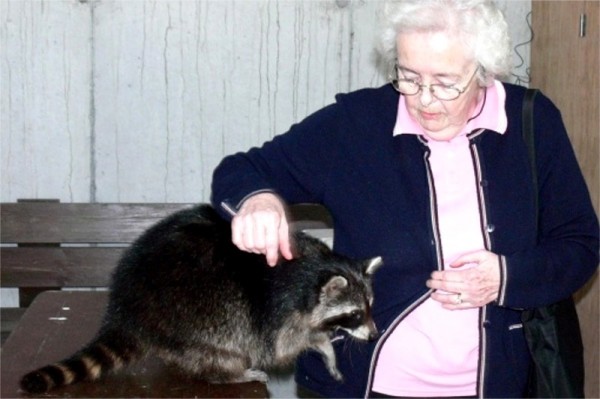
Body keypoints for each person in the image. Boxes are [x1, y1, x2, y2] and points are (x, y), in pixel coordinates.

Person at [210, 0, 599, 397]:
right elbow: (242, 170)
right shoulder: (357, 124)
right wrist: (258, 200)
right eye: (408, 76)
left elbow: (580, 245)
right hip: (360, 387)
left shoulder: (530, 123)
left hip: (496, 387)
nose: (425, 99)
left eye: (446, 83)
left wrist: (506, 278)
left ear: (484, 72)